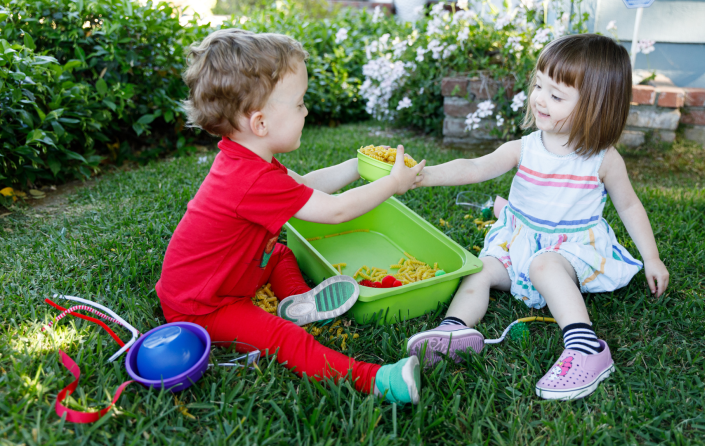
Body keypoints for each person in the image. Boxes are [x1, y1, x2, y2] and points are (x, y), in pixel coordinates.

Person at [156, 29, 425, 405]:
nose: (306, 111)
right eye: (299, 104)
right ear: (261, 123)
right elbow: (335, 210)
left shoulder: (246, 161)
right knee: (285, 339)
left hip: (235, 275)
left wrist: (356, 166)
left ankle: (300, 303)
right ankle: (379, 381)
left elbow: (307, 186)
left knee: (281, 254)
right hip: (204, 305)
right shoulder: (250, 180)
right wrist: (393, 184)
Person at [406, 34, 669, 400]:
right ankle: (454, 329)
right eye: (539, 85)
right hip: (519, 243)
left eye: (557, 95)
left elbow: (629, 206)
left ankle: (586, 349)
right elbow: (474, 167)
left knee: (545, 266)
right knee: (479, 270)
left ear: (597, 106)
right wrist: (424, 175)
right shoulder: (525, 147)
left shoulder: (603, 160)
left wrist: (651, 258)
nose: (540, 99)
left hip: (568, 250)